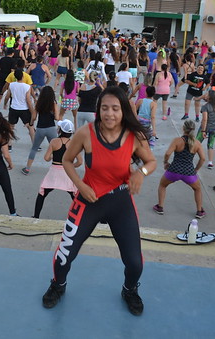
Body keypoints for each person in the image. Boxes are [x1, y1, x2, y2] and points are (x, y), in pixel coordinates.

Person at [42, 86, 157, 316]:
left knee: (135, 262)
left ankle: (129, 290)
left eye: (115, 108)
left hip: (120, 203)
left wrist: (139, 173)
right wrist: (81, 186)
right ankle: (58, 285)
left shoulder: (134, 136)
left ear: (123, 110)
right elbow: (66, 160)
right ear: (98, 110)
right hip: (89, 199)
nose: (110, 114)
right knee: (64, 256)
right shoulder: (86, 133)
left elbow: (151, 162)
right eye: (105, 108)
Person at [153, 120, 206, 218]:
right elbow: (203, 158)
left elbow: (168, 153)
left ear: (183, 128)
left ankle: (160, 207)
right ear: (193, 130)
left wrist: (166, 162)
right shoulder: (197, 143)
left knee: (162, 185)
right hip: (189, 172)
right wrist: (196, 169)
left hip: (174, 170)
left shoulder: (177, 141)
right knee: (197, 189)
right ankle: (199, 211)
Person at [32, 120, 82, 218]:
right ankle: (81, 218)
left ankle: (36, 216)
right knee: (75, 196)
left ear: (60, 130)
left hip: (54, 171)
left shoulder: (54, 141)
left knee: (42, 193)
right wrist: (71, 166)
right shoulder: (73, 144)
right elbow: (80, 161)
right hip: (67, 172)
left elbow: (46, 158)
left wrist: (51, 157)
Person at [22, 86, 59, 175]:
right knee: (56, 149)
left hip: (40, 129)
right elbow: (57, 117)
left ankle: (27, 169)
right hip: (51, 128)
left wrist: (31, 124)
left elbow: (34, 117)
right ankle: (58, 169)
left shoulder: (38, 103)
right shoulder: (53, 104)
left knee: (34, 148)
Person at [4, 69, 35, 142]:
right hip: (24, 108)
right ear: (23, 76)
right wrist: (32, 111)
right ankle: (34, 143)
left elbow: (7, 96)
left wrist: (5, 104)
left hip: (14, 108)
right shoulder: (27, 87)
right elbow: (28, 100)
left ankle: (9, 144)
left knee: (11, 126)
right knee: (30, 126)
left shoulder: (11, 85)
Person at [198, 89, 215, 169]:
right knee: (210, 145)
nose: (205, 95)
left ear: (209, 97)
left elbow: (204, 119)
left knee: (197, 142)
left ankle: (191, 157)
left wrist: (203, 130)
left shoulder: (205, 107)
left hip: (206, 127)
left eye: (206, 95)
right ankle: (210, 162)